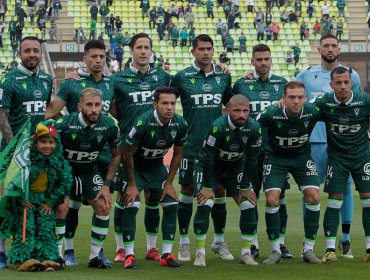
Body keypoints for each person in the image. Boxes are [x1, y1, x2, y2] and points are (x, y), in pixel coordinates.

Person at [45, 40, 115, 266]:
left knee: (102, 203)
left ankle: (97, 254)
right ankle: (65, 252)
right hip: (72, 153)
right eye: (93, 56)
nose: (97, 60)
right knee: (68, 205)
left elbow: (118, 111)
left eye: (101, 56)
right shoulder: (72, 83)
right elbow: (51, 112)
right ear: (84, 58)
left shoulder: (110, 83)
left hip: (98, 154)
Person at [295, 34, 361, 258]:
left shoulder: (352, 75)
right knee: (309, 191)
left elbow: (358, 106)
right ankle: (308, 242)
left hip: (342, 142)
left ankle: (345, 240)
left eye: (334, 45)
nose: (330, 49)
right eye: (326, 45)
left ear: (339, 48)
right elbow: (291, 94)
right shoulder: (306, 74)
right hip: (313, 141)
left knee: (344, 191)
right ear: (319, 48)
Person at [171, 34, 232, 263]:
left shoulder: (223, 77)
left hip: (216, 147)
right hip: (190, 145)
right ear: (193, 51)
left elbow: (234, 103)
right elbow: (164, 99)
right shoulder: (181, 77)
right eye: (202, 49)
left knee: (219, 190)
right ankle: (184, 242)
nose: (206, 52)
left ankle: (219, 241)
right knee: (187, 190)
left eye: (209, 49)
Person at [111, 33, 171, 264]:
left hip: (154, 151)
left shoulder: (163, 76)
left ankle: (152, 248)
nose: (143, 51)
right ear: (132, 51)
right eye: (139, 47)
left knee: (154, 198)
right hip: (129, 151)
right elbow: (111, 107)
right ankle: (120, 248)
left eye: (147, 47)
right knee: (124, 197)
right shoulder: (118, 79)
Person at [120, 86, 188, 268]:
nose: (169, 107)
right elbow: (126, 154)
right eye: (164, 103)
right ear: (155, 104)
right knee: (131, 203)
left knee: (172, 203)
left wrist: (169, 183)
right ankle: (129, 255)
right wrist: (132, 183)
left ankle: (166, 254)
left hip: (157, 166)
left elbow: (178, 153)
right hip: (135, 167)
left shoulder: (180, 124)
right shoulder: (143, 123)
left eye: (173, 103)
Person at [0, 36, 53, 269]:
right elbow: (2, 116)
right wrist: (15, 149)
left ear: (41, 53)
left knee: (33, 203)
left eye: (35, 50)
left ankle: (31, 249)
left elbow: (45, 112)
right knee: (7, 201)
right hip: (15, 153)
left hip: (39, 154)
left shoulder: (46, 79)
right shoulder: (9, 80)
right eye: (27, 50)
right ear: (19, 53)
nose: (32, 54)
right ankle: (1, 252)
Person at [233, 44, 291, 259]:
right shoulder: (241, 84)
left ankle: (281, 244)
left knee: (280, 197)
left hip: (276, 152)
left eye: (266, 59)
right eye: (259, 59)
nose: (263, 63)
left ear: (271, 60)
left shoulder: (282, 84)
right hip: (250, 153)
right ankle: (253, 244)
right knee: (250, 196)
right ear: (252, 61)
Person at [191, 94, 262, 266]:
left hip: (234, 167)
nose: (241, 115)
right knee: (205, 202)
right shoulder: (218, 127)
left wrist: (245, 186)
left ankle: (246, 253)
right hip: (208, 166)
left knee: (248, 204)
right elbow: (208, 158)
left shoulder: (254, 128)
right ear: (227, 110)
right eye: (237, 110)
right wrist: (208, 186)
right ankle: (200, 253)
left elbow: (252, 159)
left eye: (245, 111)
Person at [257, 81, 322, 264]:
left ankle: (308, 250)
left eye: (300, 97)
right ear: (283, 99)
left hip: (302, 157)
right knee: (272, 199)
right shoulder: (272, 112)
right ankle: (275, 250)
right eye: (291, 97)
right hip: (276, 158)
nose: (296, 101)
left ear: (305, 98)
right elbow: (253, 127)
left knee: (314, 197)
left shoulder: (313, 111)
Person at [54, 88, 120, 269]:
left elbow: (116, 155)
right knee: (62, 207)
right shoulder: (65, 123)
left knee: (103, 206)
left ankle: (94, 257)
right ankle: (57, 256)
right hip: (66, 171)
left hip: (89, 172)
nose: (94, 109)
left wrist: (106, 185)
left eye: (97, 105)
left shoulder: (109, 125)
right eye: (89, 105)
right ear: (79, 106)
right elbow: (48, 147)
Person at [316, 67, 370, 263]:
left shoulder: (364, 100)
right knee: (334, 200)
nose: (343, 86)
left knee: (368, 199)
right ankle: (330, 249)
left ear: (351, 83)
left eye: (346, 82)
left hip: (362, 156)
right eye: (338, 83)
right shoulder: (324, 102)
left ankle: (369, 248)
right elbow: (303, 112)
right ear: (331, 85)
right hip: (337, 158)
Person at [5, 123, 72, 271]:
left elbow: (65, 182)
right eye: (43, 142)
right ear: (35, 143)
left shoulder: (59, 161)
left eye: (51, 142)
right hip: (26, 201)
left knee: (46, 228)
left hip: (45, 202)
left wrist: (51, 201)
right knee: (25, 228)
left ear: (56, 143)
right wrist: (21, 199)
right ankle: (23, 260)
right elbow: (13, 181)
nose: (47, 146)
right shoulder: (26, 160)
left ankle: (47, 259)